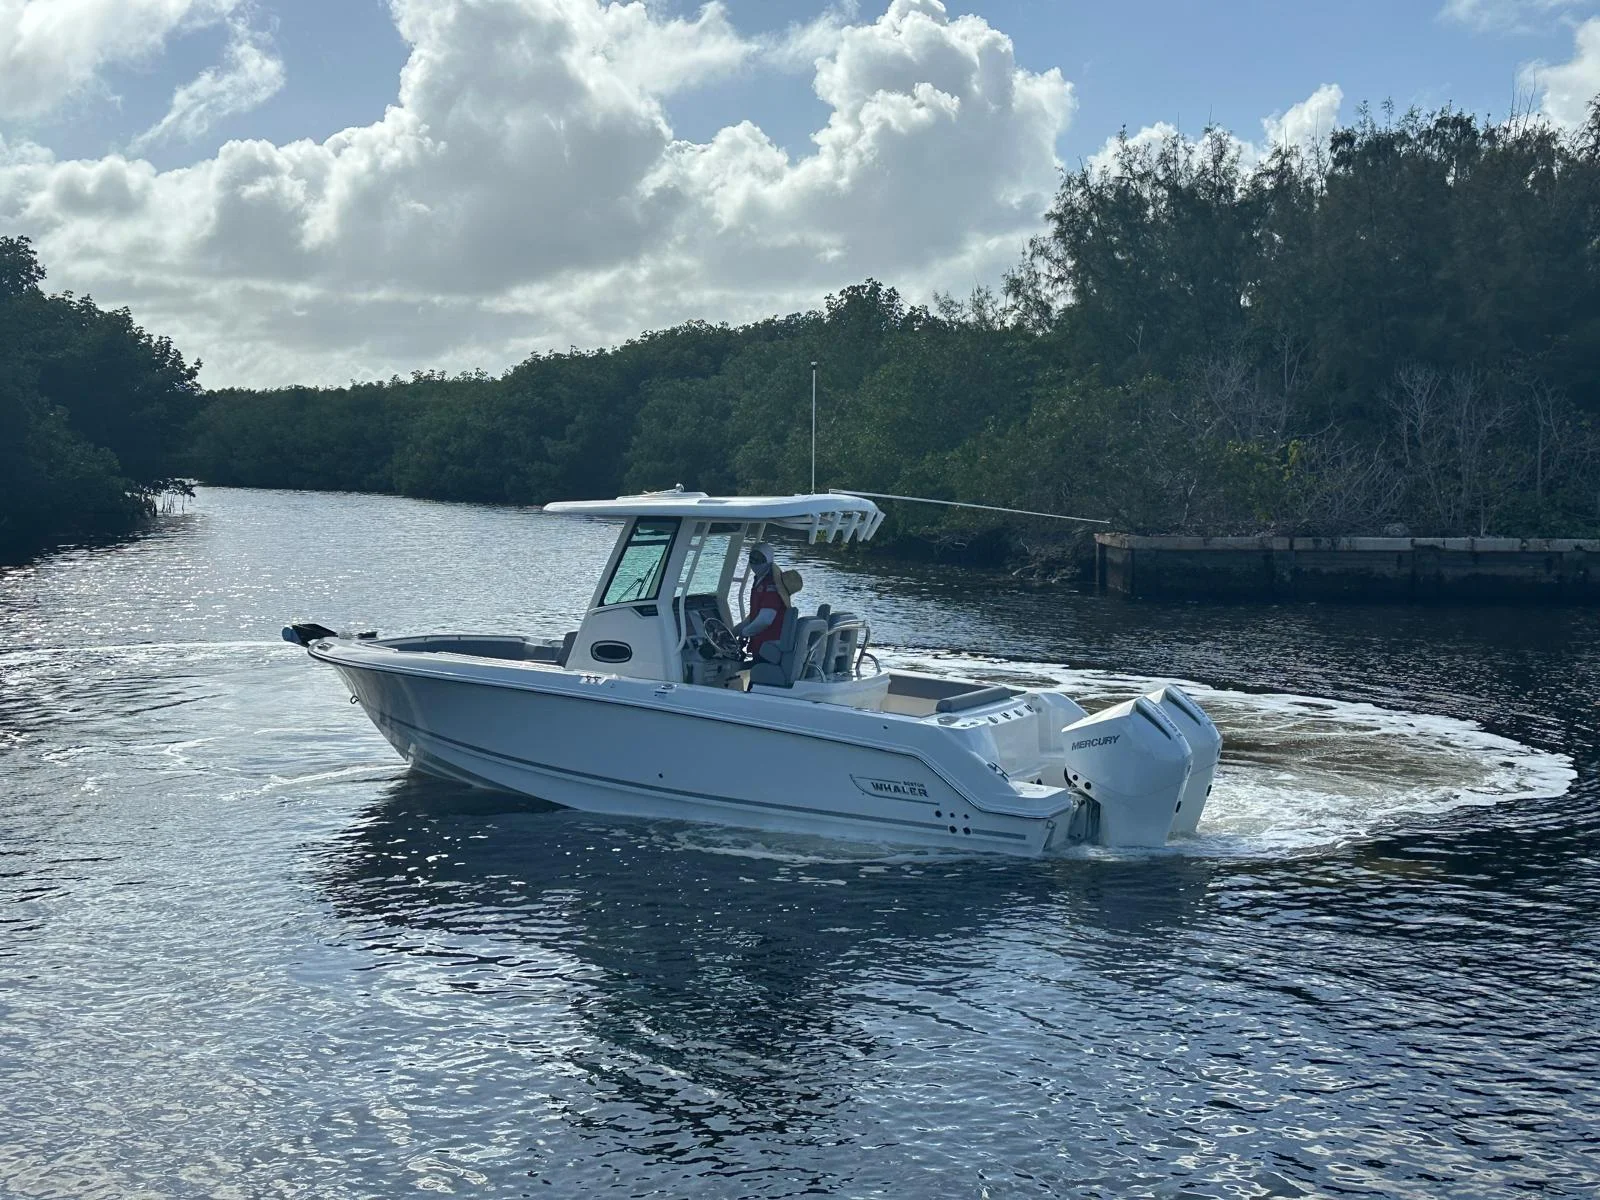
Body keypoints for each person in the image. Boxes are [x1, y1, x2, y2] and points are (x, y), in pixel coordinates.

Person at [733, 542, 791, 658]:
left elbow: (765, 619)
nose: (754, 562)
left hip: (771, 644)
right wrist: (734, 631)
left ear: (768, 560)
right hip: (760, 643)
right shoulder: (759, 580)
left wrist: (745, 632)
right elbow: (755, 615)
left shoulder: (772, 585)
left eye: (759, 558)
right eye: (752, 558)